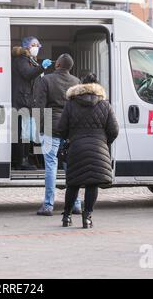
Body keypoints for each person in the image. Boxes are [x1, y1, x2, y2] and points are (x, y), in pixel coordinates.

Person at [58, 73, 119, 228]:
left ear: (80, 86)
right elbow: (114, 130)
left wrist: (70, 138)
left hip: (76, 147)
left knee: (73, 183)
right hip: (98, 148)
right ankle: (87, 218)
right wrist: (104, 142)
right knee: (92, 184)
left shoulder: (71, 104)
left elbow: (61, 128)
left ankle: (66, 217)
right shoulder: (105, 104)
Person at [33, 54, 82, 216]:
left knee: (51, 166)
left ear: (58, 64)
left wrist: (40, 127)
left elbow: (39, 107)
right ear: (70, 67)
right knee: (71, 167)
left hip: (51, 128)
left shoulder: (45, 80)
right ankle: (76, 204)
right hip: (70, 130)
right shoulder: (76, 82)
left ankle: (48, 205)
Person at [11, 36, 53, 170]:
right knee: (22, 134)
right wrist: (42, 67)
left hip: (29, 103)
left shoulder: (31, 60)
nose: (37, 47)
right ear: (27, 46)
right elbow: (28, 74)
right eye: (34, 45)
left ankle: (26, 159)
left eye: (38, 45)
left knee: (27, 134)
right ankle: (21, 162)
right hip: (22, 103)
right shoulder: (21, 59)